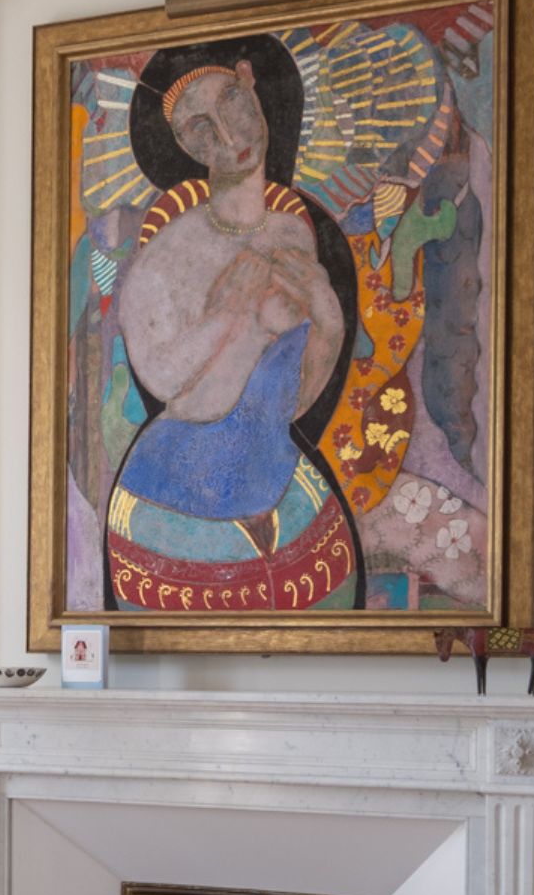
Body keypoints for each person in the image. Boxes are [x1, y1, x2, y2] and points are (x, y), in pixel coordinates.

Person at [106, 57, 360, 614]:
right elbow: (174, 389)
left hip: (289, 499)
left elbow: (289, 403)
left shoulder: (294, 233)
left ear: (250, 79)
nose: (226, 136)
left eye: (231, 102)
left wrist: (331, 324)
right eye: (199, 128)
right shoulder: (163, 261)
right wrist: (229, 318)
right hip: (170, 513)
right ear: (182, 145)